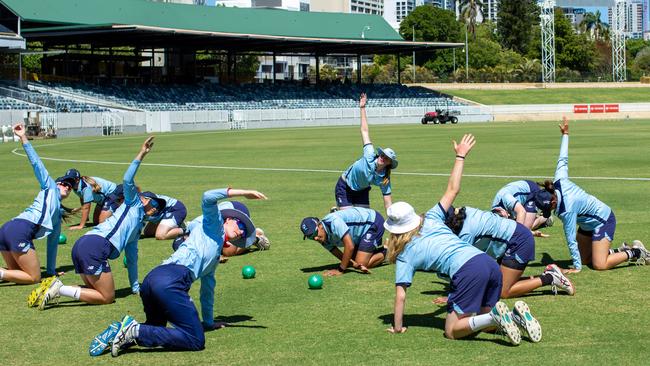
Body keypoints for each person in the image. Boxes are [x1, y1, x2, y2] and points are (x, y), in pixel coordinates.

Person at [384, 134, 542, 345]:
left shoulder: (405, 255)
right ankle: (514, 317)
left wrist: (397, 327)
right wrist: (460, 156)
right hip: (487, 262)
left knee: (452, 330)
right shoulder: (431, 217)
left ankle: (495, 315)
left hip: (468, 270)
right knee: (485, 322)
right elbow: (453, 189)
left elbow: (401, 296)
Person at [90, 187, 267, 357]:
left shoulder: (213, 255)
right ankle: (133, 329)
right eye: (240, 224)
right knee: (195, 340)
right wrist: (244, 193)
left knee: (155, 327)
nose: (240, 232)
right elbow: (208, 197)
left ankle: (122, 331)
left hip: (152, 281)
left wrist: (209, 322)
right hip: (170, 281)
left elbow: (207, 290)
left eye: (244, 233)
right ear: (228, 219)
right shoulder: (214, 224)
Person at [29, 136, 165, 309]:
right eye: (154, 203)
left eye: (158, 208)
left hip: (84, 245)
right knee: (107, 297)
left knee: (94, 290)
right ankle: (59, 289)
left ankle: (55, 288)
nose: (155, 208)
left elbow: (132, 259)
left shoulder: (137, 229)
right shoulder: (133, 203)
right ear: (143, 199)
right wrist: (141, 154)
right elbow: (128, 179)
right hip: (94, 247)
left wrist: (135, 287)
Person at [548, 117, 647, 272]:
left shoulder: (567, 209)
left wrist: (576, 267)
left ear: (553, 201)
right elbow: (563, 159)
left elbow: (570, 238)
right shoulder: (558, 181)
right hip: (587, 224)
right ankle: (619, 250)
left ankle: (637, 252)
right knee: (587, 259)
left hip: (603, 220)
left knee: (599, 265)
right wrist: (565, 135)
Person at [445, 205, 575, 298]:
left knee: (503, 292)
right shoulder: (466, 210)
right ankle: (550, 273)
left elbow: (465, 266)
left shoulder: (465, 234)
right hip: (512, 239)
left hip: (518, 242)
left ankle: (550, 278)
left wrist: (456, 296)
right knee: (493, 285)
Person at [1, 123, 73, 285]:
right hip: (19, 230)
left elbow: (53, 243)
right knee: (34, 278)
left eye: (70, 187)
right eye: (64, 183)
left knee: (16, 275)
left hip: (7, 230)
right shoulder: (49, 187)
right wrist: (23, 137)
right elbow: (36, 164)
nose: (67, 187)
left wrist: (51, 271)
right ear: (56, 183)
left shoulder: (57, 215)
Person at [334, 93, 397, 211]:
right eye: (382, 154)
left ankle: (337, 212)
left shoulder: (384, 179)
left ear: (389, 163)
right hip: (344, 186)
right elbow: (364, 131)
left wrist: (394, 220)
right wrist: (362, 108)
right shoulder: (370, 154)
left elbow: (388, 202)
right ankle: (336, 213)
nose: (383, 157)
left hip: (361, 190)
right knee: (349, 219)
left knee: (363, 220)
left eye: (386, 158)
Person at [300, 207, 386, 276]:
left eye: (315, 233)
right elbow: (340, 255)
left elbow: (350, 246)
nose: (315, 238)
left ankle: (389, 250)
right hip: (359, 233)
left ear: (320, 225)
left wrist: (340, 270)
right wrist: (354, 264)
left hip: (373, 222)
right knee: (352, 259)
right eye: (310, 237)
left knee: (362, 262)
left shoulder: (334, 222)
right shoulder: (322, 238)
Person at [170, 201, 271, 260]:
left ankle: (254, 238)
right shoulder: (193, 235)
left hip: (234, 211)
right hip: (222, 218)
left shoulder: (197, 228)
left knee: (228, 251)